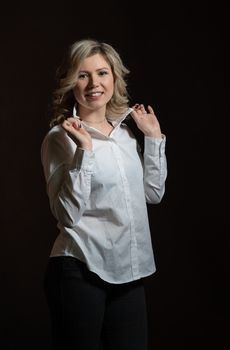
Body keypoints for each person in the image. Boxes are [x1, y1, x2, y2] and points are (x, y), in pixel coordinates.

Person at [41, 38, 167, 350]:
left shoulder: (124, 133)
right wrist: (85, 151)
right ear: (71, 82)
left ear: (114, 78)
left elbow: (152, 194)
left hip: (128, 272)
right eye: (83, 75)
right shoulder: (60, 139)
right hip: (80, 269)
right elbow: (67, 215)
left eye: (102, 73)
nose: (94, 83)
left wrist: (153, 138)